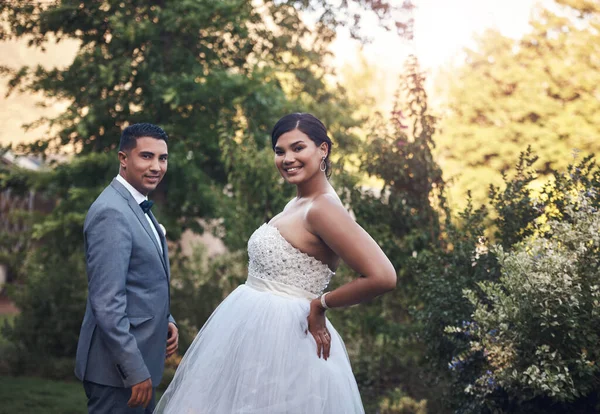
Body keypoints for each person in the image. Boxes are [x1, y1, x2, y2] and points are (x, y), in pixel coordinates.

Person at [154, 113, 396, 413]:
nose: (287, 158)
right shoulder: (298, 202)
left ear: (323, 150)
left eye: (298, 148)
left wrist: (321, 304)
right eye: (279, 151)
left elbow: (383, 276)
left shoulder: (323, 208)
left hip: (287, 340)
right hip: (253, 331)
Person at [75, 123, 179, 413]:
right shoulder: (111, 212)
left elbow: (143, 279)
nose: (157, 166)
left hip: (140, 359)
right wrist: (133, 370)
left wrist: (166, 319)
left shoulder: (137, 203)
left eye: (163, 158)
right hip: (116, 373)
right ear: (123, 159)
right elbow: (107, 302)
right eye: (146, 156)